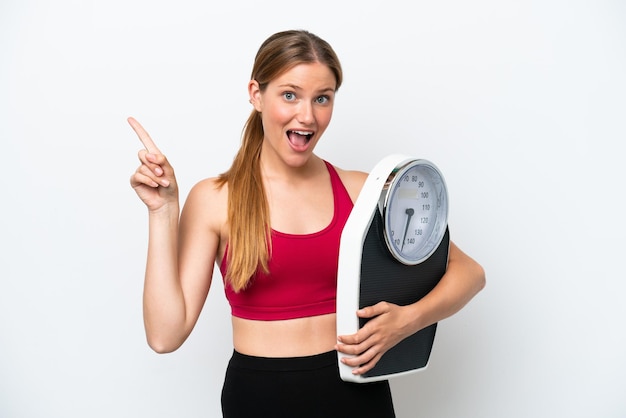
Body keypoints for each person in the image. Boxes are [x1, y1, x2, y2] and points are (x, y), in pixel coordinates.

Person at [129, 29, 485, 418]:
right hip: (258, 397)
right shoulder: (216, 199)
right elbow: (165, 335)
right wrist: (162, 212)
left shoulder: (361, 190)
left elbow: (469, 272)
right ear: (255, 94)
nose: (308, 116)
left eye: (322, 98)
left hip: (357, 398)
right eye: (289, 95)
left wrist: (406, 321)